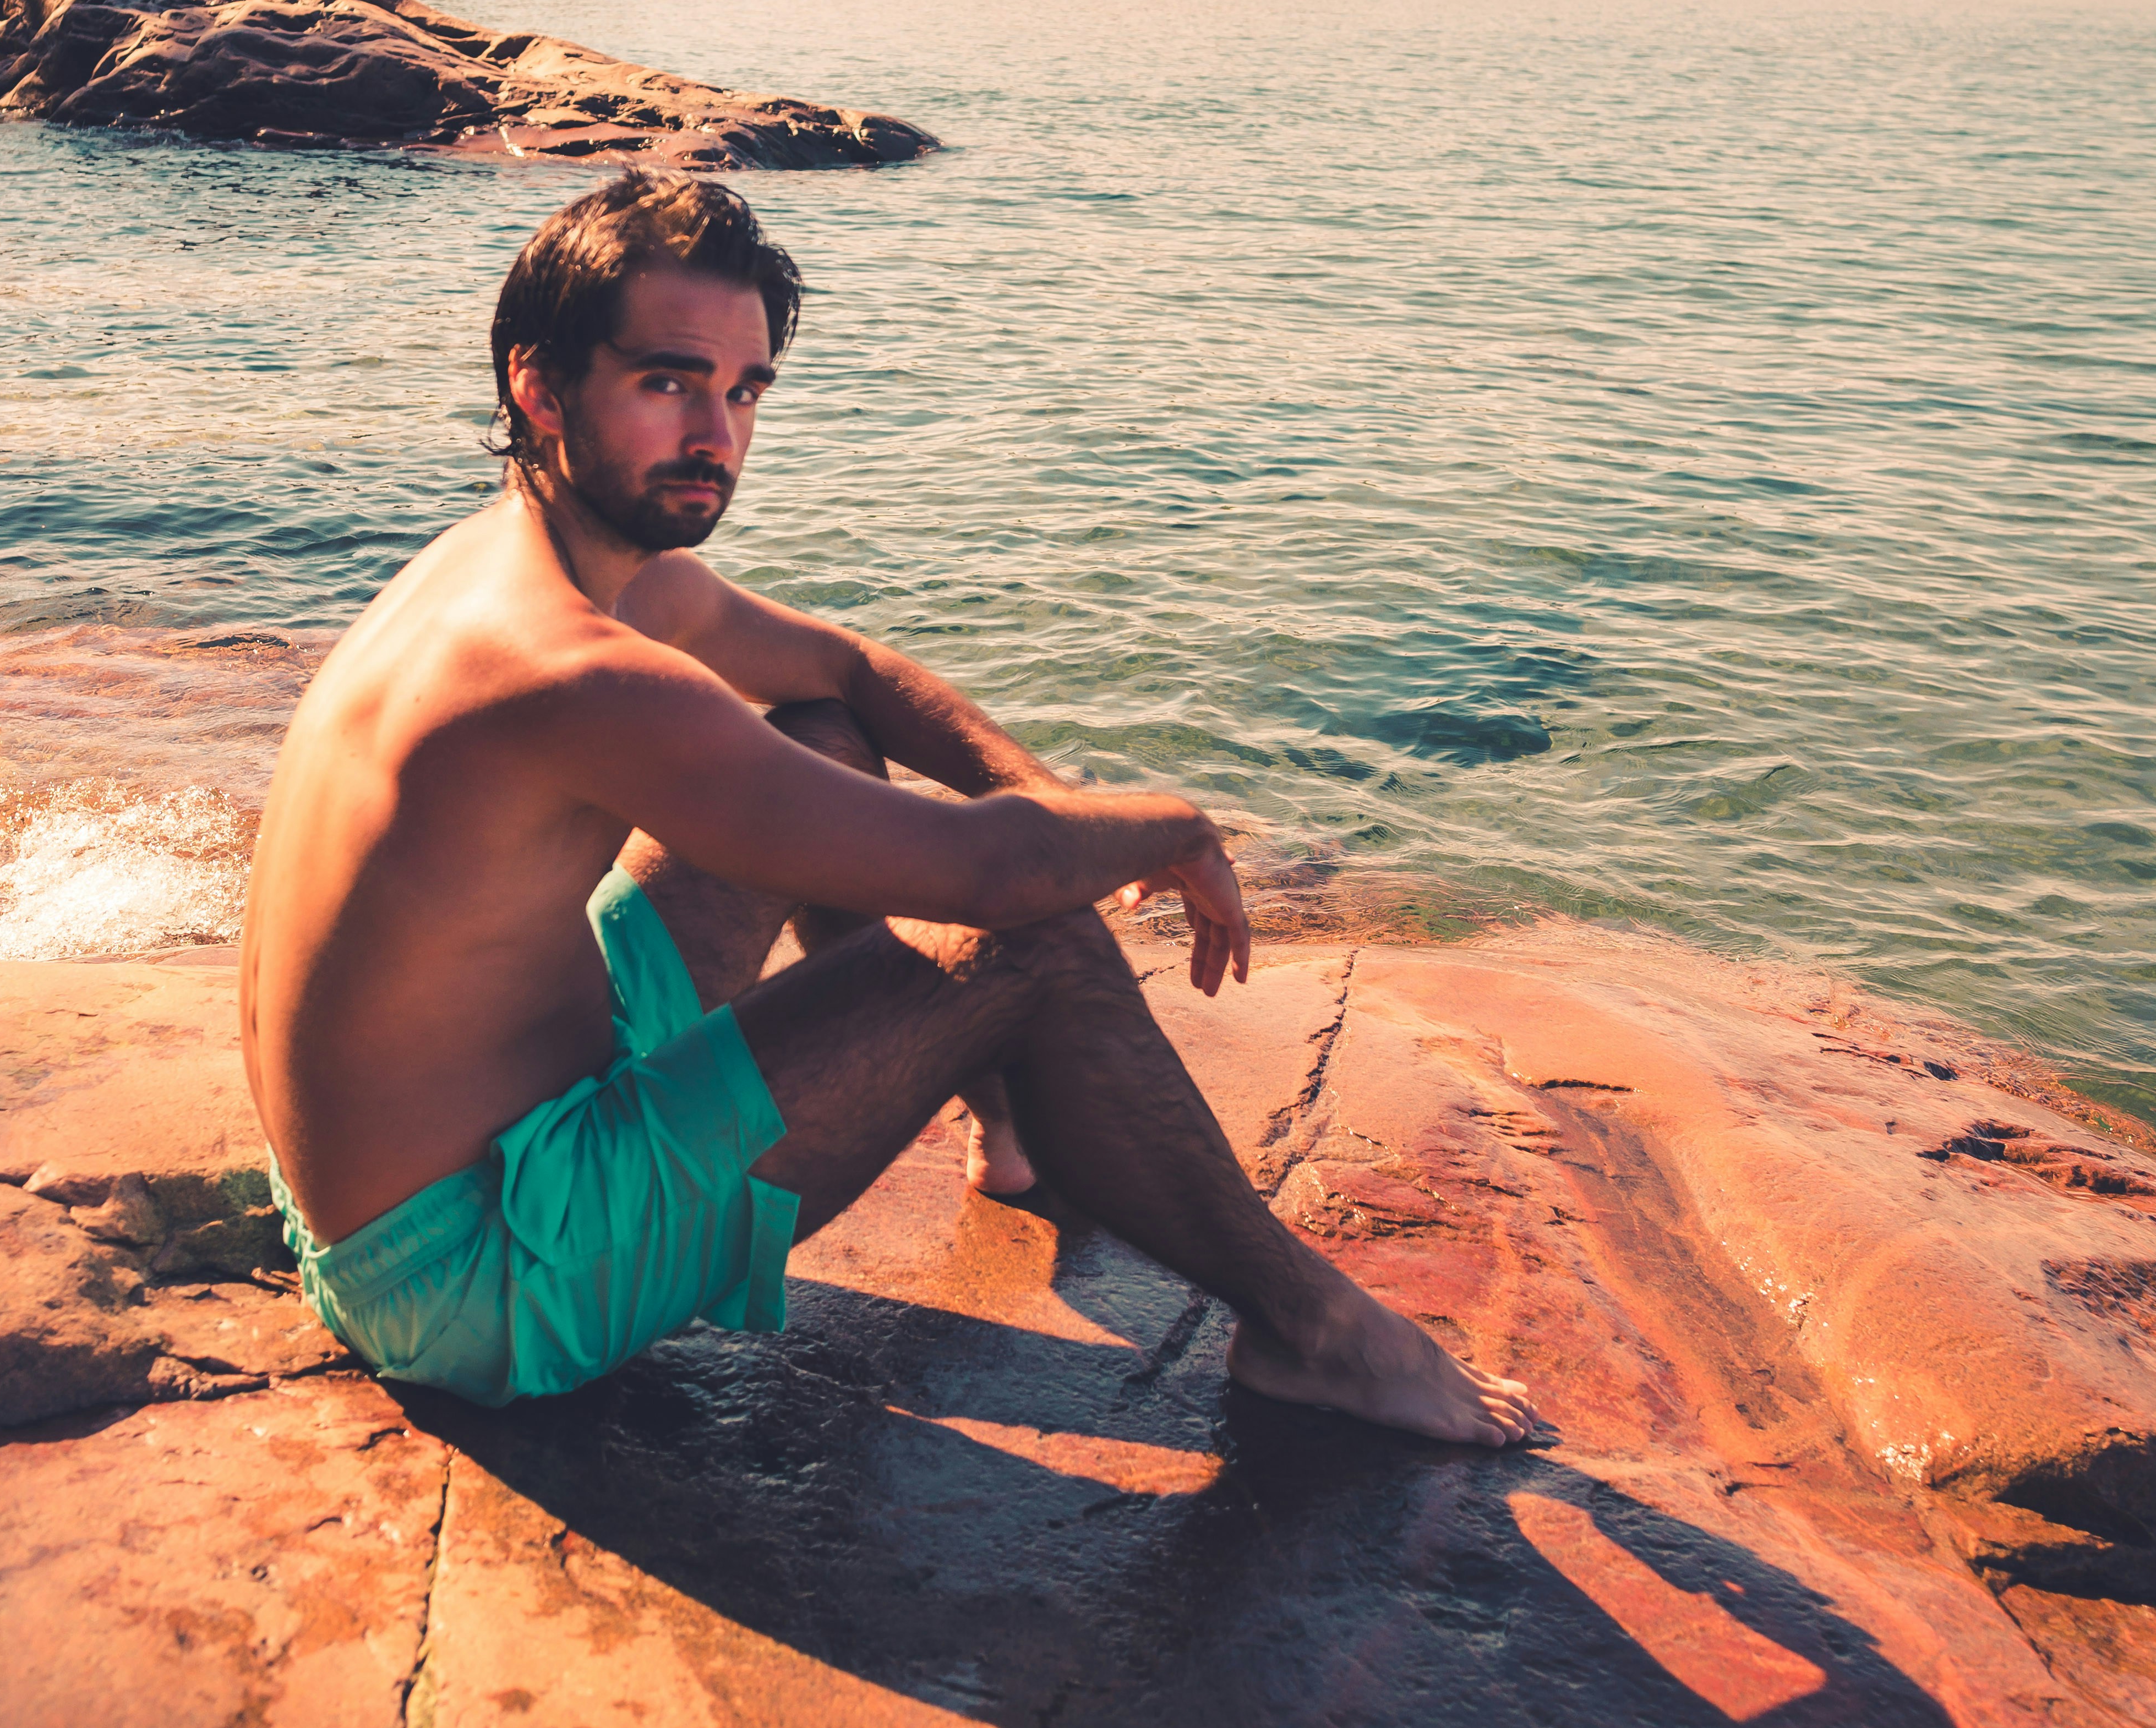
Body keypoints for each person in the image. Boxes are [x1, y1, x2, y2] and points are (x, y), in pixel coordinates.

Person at [240, 172, 1536, 1445]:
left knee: (823, 740)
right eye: (667, 381)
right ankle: (1314, 1333)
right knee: (1023, 940)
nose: (716, 432)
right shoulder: (563, 664)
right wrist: (1175, 825)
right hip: (478, 1277)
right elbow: (990, 880)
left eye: (744, 390)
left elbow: (846, 671)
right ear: (538, 383)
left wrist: (1042, 794)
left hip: (432, 1173)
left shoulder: (531, 570)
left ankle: (1014, 1115)